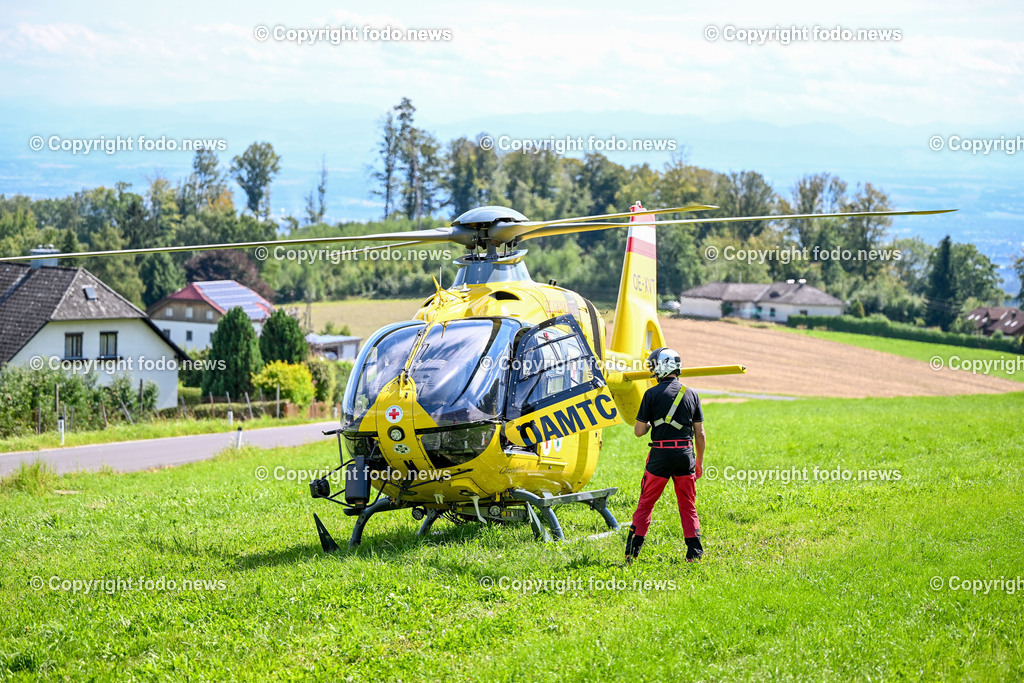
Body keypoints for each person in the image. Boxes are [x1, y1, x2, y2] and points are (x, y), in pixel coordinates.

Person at [625, 347, 706, 565]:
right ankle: (694, 556)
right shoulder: (691, 394)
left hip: (660, 456)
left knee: (646, 504)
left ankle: (631, 554)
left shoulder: (650, 394)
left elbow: (639, 431)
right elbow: (700, 433)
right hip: (684, 455)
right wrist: (698, 462)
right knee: (688, 505)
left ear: (662, 366)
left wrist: (652, 422)